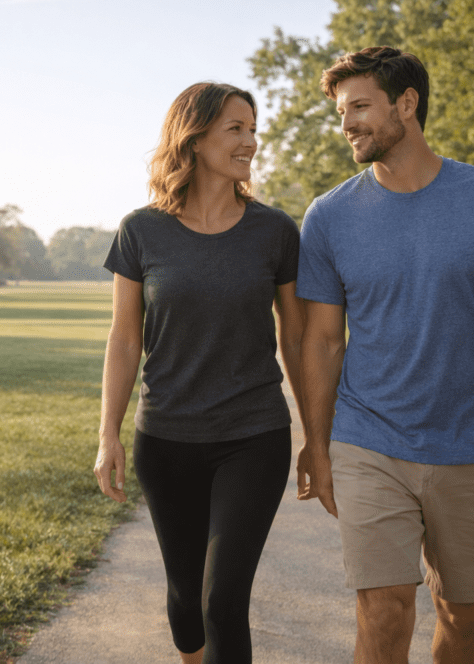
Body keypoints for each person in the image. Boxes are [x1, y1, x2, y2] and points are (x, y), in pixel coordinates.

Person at [295, 47, 474, 664]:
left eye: (360, 107)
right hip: (369, 440)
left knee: (462, 615)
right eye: (341, 112)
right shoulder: (329, 216)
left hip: (472, 442)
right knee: (384, 607)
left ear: (407, 104)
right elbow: (323, 340)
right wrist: (316, 441)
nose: (346, 124)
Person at [93, 81, 305, 664]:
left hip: (254, 436)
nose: (251, 142)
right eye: (236, 129)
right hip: (166, 440)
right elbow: (125, 338)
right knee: (186, 601)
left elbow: (296, 338)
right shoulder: (141, 230)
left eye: (253, 129)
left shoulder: (275, 232)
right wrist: (108, 434)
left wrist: (317, 437)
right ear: (194, 137)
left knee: (222, 601)